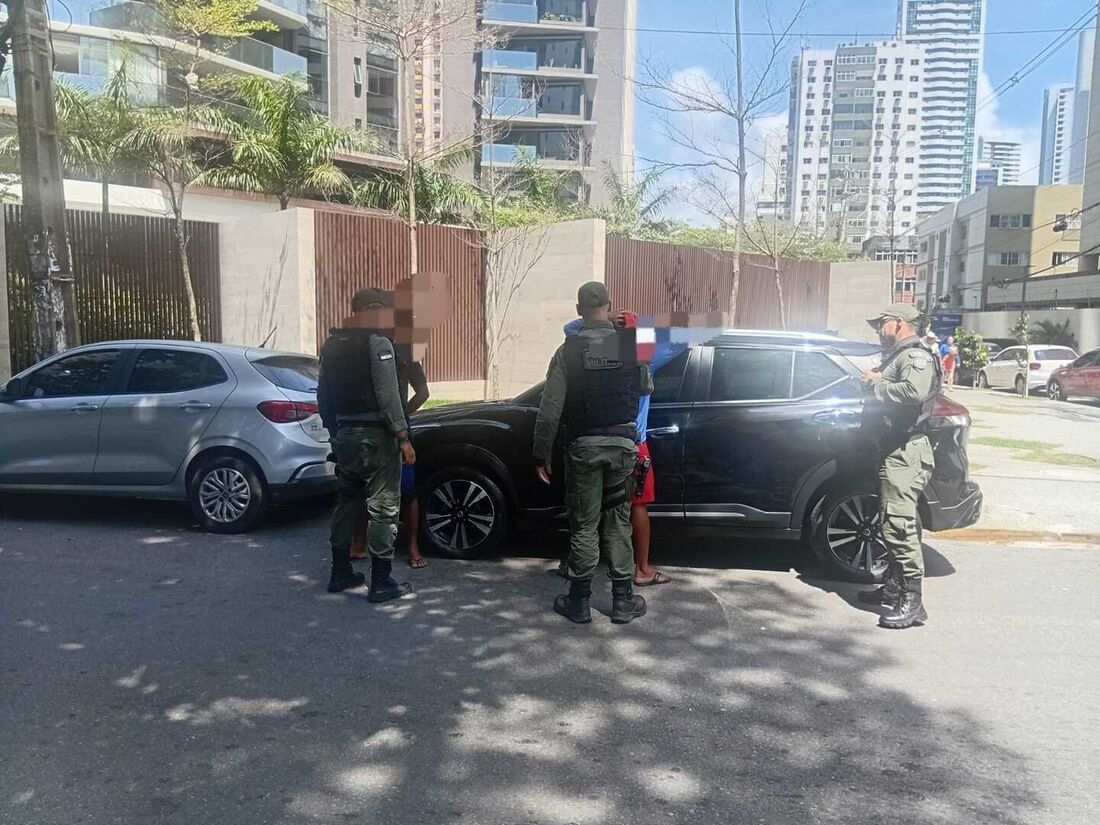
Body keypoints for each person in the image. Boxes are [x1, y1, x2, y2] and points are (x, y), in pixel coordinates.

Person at [534, 282, 653, 625]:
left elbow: (550, 408)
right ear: (611, 305)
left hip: (583, 448)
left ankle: (579, 601)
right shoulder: (631, 346)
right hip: (622, 447)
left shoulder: (567, 350)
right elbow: (646, 386)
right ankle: (622, 601)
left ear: (577, 309)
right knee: (618, 521)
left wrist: (541, 452)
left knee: (584, 524)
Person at [561, 312, 687, 586]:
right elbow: (683, 338)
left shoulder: (597, 353)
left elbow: (569, 328)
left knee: (589, 506)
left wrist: (605, 317)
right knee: (635, 506)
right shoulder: (641, 358)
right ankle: (640, 569)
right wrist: (640, 325)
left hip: (592, 440)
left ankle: (576, 565)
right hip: (631, 446)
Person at [317, 288, 415, 603]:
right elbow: (388, 395)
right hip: (376, 437)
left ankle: (340, 572)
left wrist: (335, 431)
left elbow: (323, 396)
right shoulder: (378, 343)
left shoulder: (332, 346)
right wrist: (402, 437)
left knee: (347, 502)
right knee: (383, 509)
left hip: (344, 434)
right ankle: (382, 581)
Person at [859, 303, 942, 629]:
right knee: (890, 523)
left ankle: (912, 601)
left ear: (898, 323)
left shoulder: (915, 356)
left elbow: (915, 390)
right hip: (896, 451)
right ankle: (893, 589)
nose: (879, 331)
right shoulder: (900, 355)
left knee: (899, 527)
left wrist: (875, 385)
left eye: (881, 324)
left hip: (907, 453)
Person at [347, 287, 431, 569]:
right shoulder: (371, 346)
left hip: (385, 431)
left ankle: (406, 547)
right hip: (382, 432)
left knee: (401, 491)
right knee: (372, 491)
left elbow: (422, 391)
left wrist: (401, 415)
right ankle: (368, 548)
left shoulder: (403, 347)